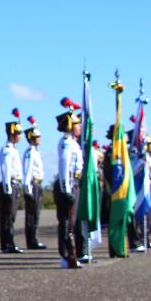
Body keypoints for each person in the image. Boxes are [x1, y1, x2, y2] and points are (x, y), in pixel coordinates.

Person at [53, 103, 83, 268]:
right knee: (66, 222)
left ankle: (71, 254)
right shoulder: (66, 143)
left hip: (73, 183)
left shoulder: (72, 142)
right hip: (68, 184)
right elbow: (64, 165)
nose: (80, 127)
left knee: (71, 222)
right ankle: (66, 255)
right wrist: (66, 189)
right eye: (77, 124)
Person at [0, 115, 24, 253]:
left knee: (11, 216)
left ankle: (10, 242)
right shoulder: (7, 150)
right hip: (10, 185)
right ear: (12, 134)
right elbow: (5, 170)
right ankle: (7, 244)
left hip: (15, 184)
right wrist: (7, 188)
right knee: (7, 217)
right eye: (18, 133)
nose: (20, 136)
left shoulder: (13, 149)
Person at [22, 119, 47, 250]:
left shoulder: (35, 152)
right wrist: (28, 189)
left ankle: (34, 238)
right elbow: (27, 171)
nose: (40, 139)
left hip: (38, 184)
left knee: (36, 213)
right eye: (37, 137)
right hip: (33, 184)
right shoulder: (30, 153)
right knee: (32, 214)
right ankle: (31, 240)